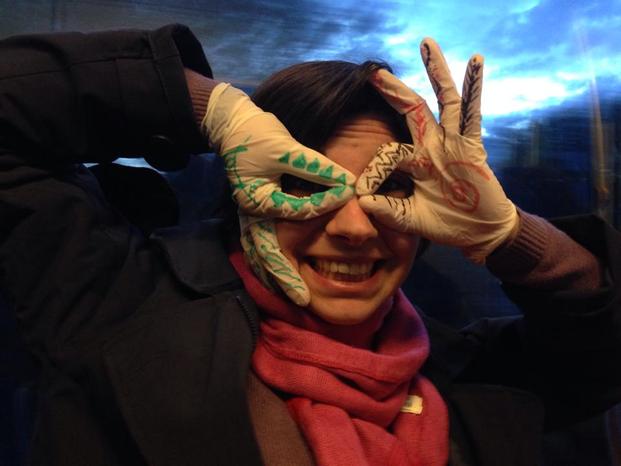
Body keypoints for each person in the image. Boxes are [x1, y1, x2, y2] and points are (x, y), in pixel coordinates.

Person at [0, 24, 619, 466]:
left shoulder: (468, 372)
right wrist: (212, 108)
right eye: (304, 182)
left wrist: (510, 238)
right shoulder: (113, 306)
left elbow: (600, 354)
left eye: (390, 189)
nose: (355, 228)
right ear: (246, 192)